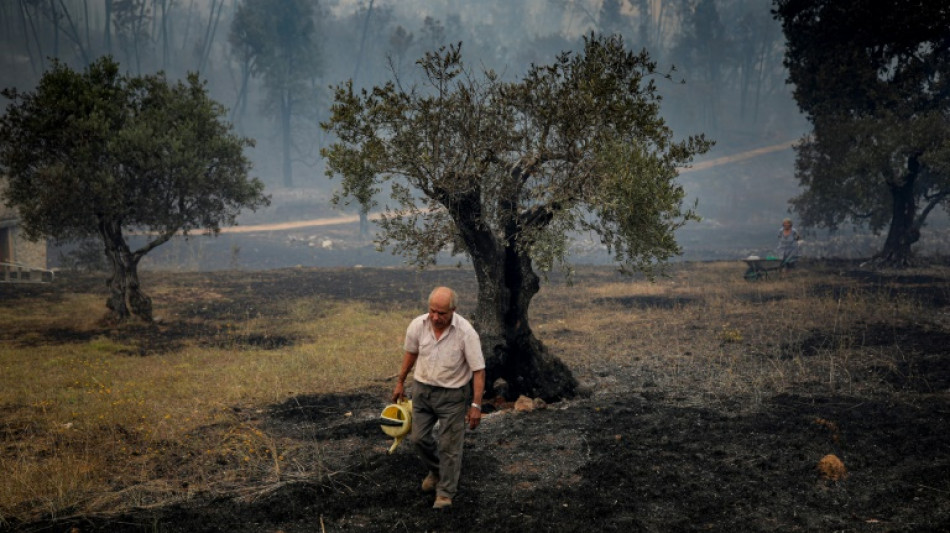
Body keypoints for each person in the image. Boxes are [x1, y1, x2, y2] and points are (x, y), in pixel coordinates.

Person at [391, 286, 486, 509]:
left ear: (453, 310)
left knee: (449, 446)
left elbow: (479, 371)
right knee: (418, 439)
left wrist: (476, 405)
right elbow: (411, 353)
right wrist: (400, 381)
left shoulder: (466, 333)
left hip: (453, 396)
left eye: (441, 313)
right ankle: (437, 471)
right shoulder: (418, 325)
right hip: (422, 391)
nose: (435, 317)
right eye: (432, 311)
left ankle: (445, 492)